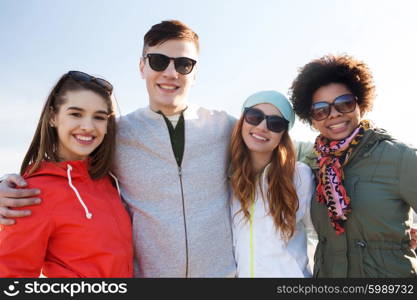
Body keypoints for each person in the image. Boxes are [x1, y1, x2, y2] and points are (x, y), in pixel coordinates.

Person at [0, 20, 236, 277]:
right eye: (159, 61)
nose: (171, 73)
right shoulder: (117, 133)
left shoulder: (226, 128)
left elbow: (277, 153)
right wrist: (6, 184)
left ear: (195, 72)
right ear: (142, 66)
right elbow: (64, 171)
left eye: (183, 64)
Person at [289, 54, 417, 277]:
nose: (335, 114)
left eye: (344, 103)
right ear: (312, 119)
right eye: (321, 109)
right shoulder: (312, 167)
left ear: (360, 103)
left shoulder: (400, 158)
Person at [0, 71, 133, 277]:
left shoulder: (112, 181)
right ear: (53, 117)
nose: (88, 127)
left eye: (98, 117)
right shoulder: (33, 193)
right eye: (76, 114)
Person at [230, 90, 315, 277]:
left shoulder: (299, 175)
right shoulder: (229, 177)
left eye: (275, 123)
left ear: (283, 134)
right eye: (254, 116)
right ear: (243, 120)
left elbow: (321, 235)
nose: (262, 127)